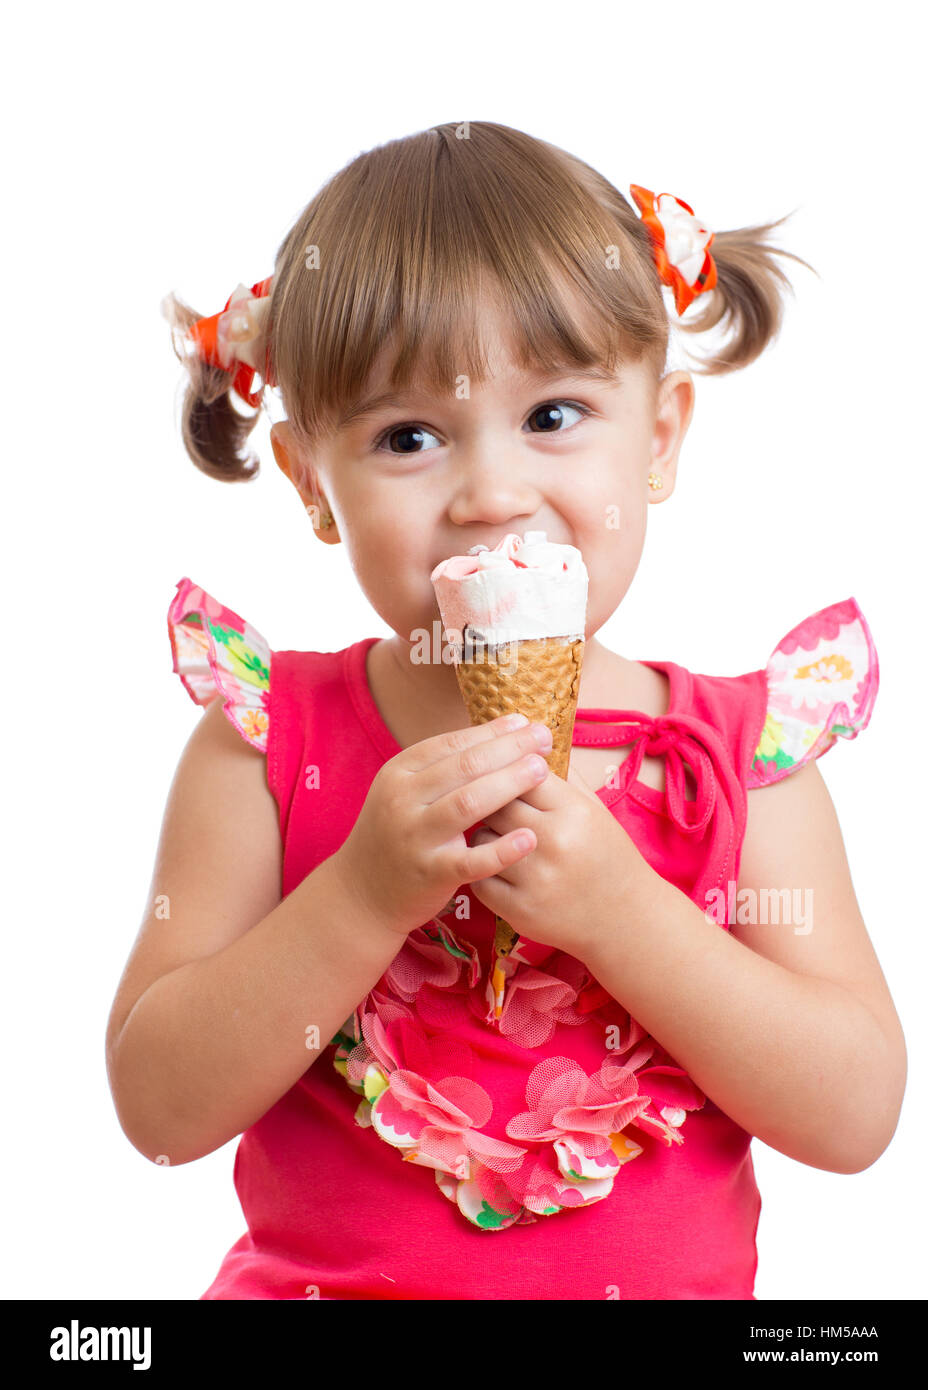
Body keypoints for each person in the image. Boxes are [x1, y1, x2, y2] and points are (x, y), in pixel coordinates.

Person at [106, 120, 906, 1300]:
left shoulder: (742, 762)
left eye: (553, 415)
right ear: (312, 483)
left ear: (661, 440)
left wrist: (628, 917)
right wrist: (362, 894)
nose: (491, 493)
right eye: (408, 436)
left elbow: (853, 1114)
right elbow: (160, 1109)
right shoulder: (269, 748)